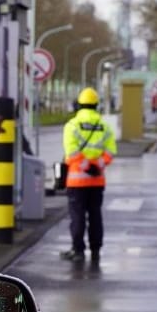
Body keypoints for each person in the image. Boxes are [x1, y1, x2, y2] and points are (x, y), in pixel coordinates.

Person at [60, 87, 117, 265]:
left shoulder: (72, 125)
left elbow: (71, 151)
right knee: (95, 216)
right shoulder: (105, 126)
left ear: (79, 105)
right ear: (96, 105)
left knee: (77, 217)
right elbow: (110, 151)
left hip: (77, 181)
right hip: (97, 181)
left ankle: (78, 250)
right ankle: (96, 250)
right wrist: (97, 165)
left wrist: (84, 166)